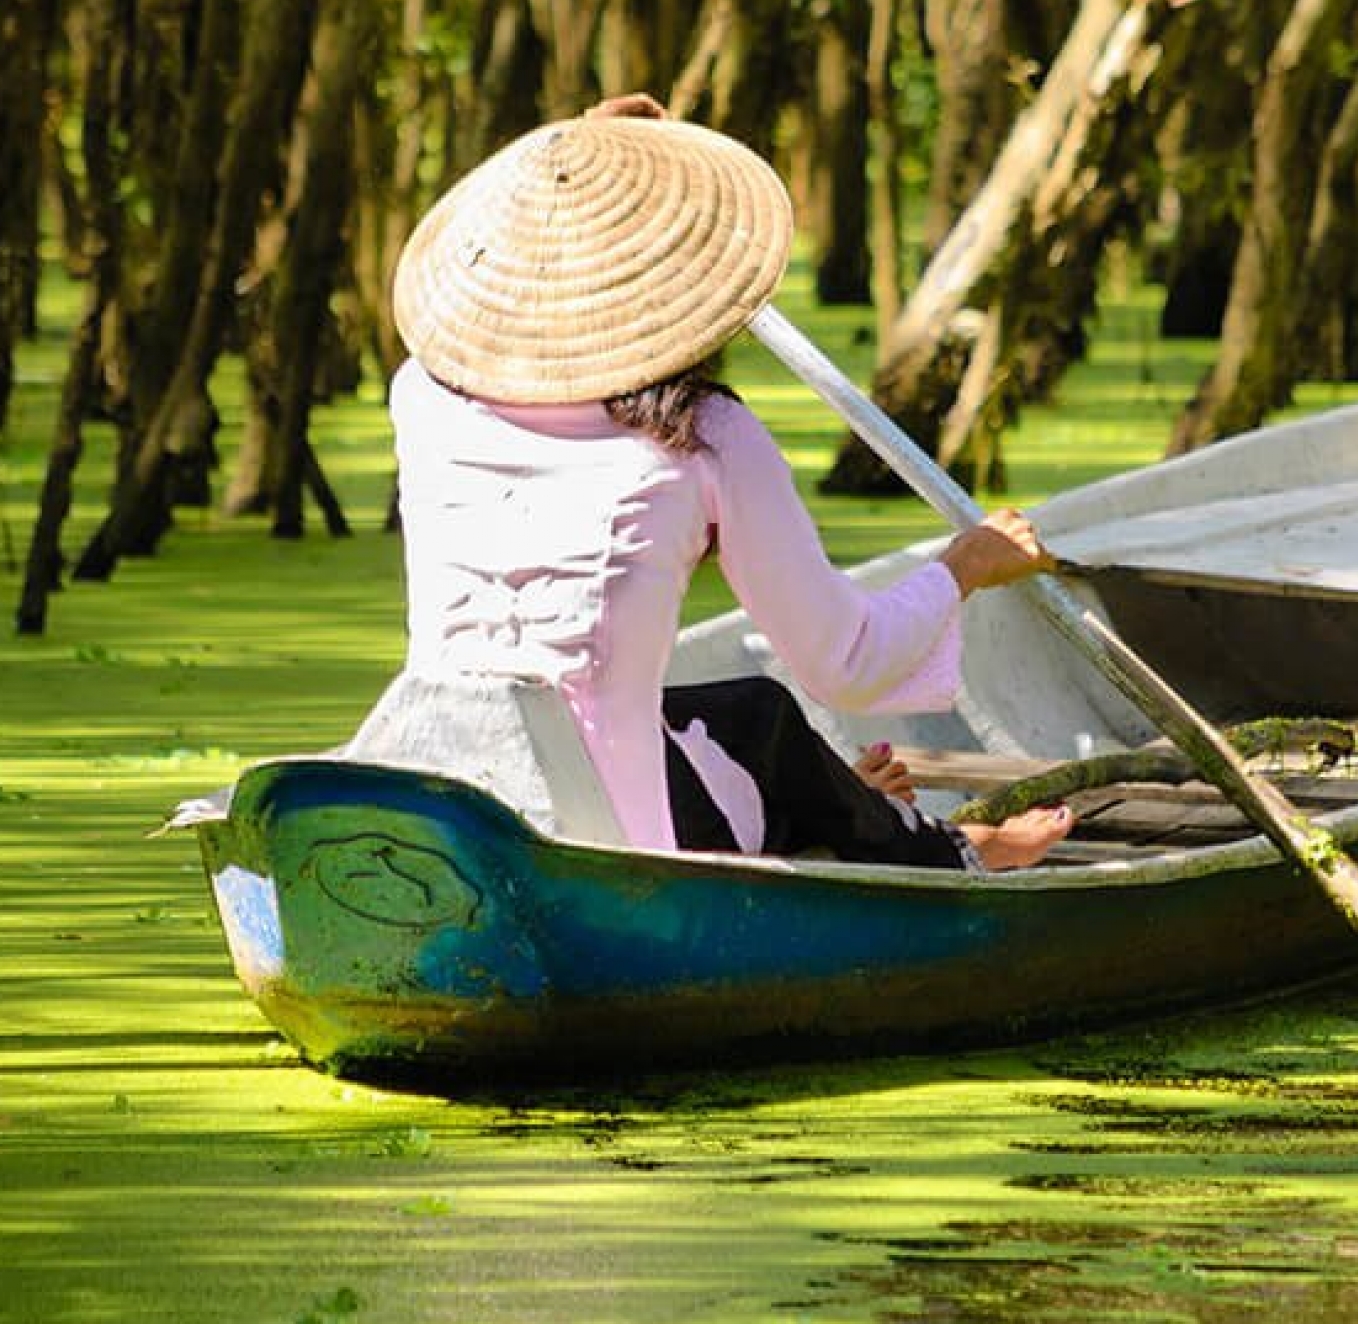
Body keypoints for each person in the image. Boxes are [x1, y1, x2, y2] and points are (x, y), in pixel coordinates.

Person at [385, 94, 1073, 871]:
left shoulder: (422, 395)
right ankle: (942, 848)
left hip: (434, 792)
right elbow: (845, 659)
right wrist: (967, 565)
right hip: (610, 840)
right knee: (765, 717)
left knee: (750, 717)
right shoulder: (705, 436)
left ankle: (835, 803)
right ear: (680, 287)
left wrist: (594, 152)